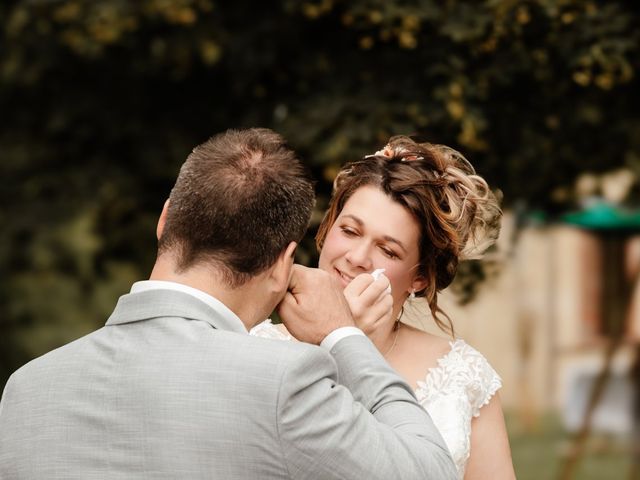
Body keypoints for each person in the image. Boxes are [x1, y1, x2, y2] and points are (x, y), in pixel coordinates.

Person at [0, 128, 457, 479]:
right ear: (282, 265)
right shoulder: (285, 381)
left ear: (164, 221)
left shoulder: (25, 389)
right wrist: (344, 337)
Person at [252, 135, 516, 479]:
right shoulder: (253, 345)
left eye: (388, 250)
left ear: (419, 277)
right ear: (328, 228)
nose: (357, 258)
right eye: (348, 230)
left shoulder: (463, 376)